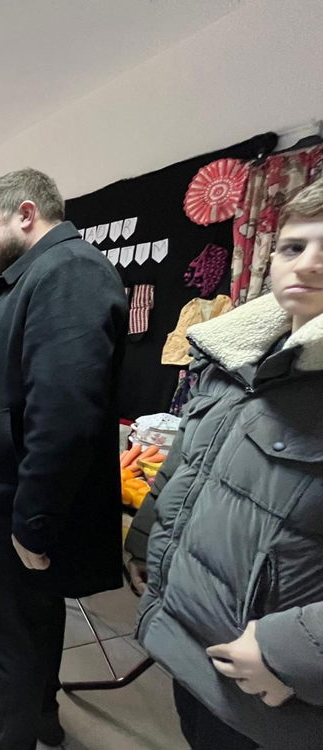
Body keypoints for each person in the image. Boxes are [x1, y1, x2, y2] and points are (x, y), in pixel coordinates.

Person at [0, 169, 128, 750]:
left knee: (12, 627)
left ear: (27, 214)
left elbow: (64, 412)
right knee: (31, 616)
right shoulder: (30, 274)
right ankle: (37, 710)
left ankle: (3, 739)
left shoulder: (70, 272)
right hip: (3, 491)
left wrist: (33, 523)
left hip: (18, 503)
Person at [123, 180, 323, 750]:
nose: (307, 263)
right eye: (293, 247)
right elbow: (188, 462)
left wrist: (292, 653)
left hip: (275, 681)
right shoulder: (235, 358)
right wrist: (146, 544)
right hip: (196, 644)